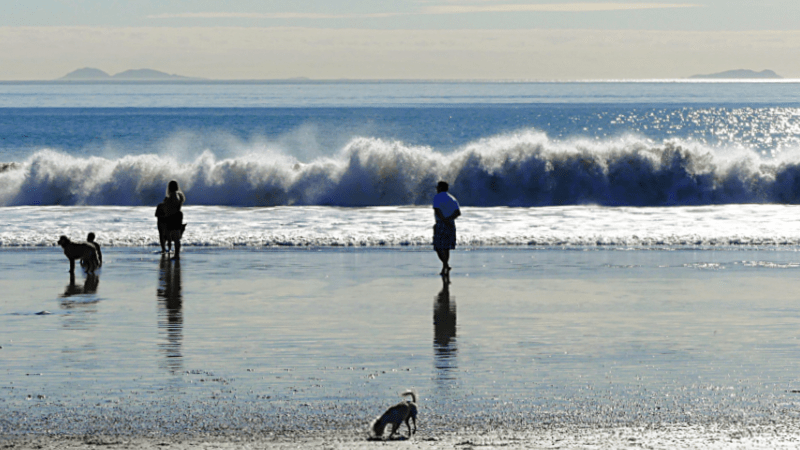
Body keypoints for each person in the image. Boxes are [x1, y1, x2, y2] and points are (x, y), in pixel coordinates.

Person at [433, 181, 460, 275]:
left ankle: (445, 265)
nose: (436, 188)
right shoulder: (452, 198)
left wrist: (444, 220)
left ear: (440, 188)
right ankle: (445, 266)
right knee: (446, 247)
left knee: (438, 247)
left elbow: (437, 210)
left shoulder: (437, 197)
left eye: (437, 187)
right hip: (451, 224)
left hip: (441, 223)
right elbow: (458, 212)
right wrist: (449, 219)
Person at [162, 180, 186, 258]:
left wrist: (166, 202)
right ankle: (176, 254)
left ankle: (176, 254)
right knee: (175, 237)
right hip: (177, 216)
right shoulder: (178, 194)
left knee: (174, 236)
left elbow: (174, 204)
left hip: (173, 216)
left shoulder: (174, 195)